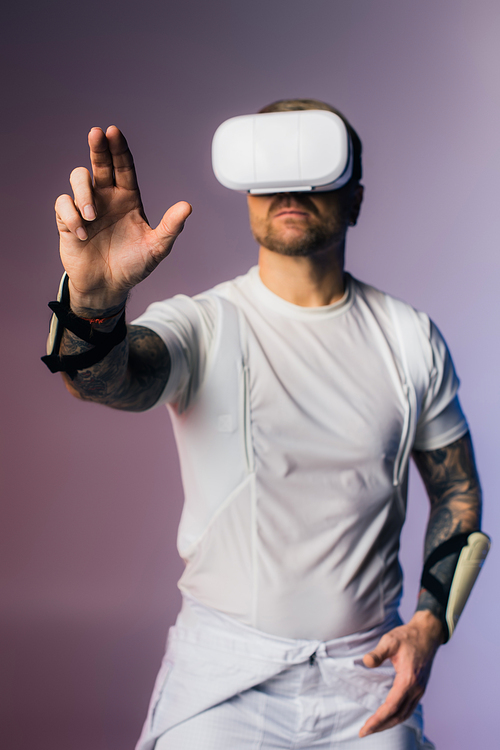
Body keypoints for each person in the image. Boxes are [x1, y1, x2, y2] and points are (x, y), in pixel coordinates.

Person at [45, 99, 483, 749]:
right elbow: (104, 380)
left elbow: (456, 490)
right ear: (247, 191)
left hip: (364, 680)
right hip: (224, 678)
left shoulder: (409, 337)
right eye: (271, 167)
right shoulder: (204, 322)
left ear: (356, 198)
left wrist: (430, 623)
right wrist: (94, 301)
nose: (290, 185)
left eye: (314, 164)